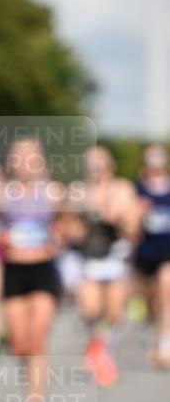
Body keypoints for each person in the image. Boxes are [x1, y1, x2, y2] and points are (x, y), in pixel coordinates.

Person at [0, 137, 63, 402]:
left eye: (31, 155)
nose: (26, 160)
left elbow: (71, 227)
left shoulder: (54, 192)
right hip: (14, 270)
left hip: (44, 270)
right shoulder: (2, 193)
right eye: (20, 155)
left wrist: (60, 236)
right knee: (20, 344)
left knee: (38, 337)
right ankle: (26, 377)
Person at [71, 146, 139, 386]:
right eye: (91, 164)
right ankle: (96, 348)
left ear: (110, 166)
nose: (96, 169)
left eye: (100, 163)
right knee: (90, 309)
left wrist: (118, 217)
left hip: (115, 256)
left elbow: (133, 228)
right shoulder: (79, 191)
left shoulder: (122, 188)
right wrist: (82, 219)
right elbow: (69, 231)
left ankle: (102, 351)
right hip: (88, 256)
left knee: (114, 313)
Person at [135, 144, 170, 368]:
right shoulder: (137, 189)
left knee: (167, 289)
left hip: (168, 250)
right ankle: (154, 329)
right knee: (152, 300)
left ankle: (164, 344)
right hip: (146, 252)